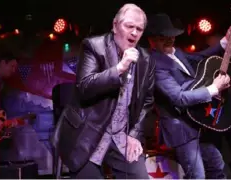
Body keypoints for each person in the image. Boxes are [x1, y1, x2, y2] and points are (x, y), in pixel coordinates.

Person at [52, 3, 155, 179]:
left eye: (139, 29)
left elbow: (147, 101)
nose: (134, 33)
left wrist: (134, 134)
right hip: (87, 134)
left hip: (120, 135)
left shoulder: (145, 59)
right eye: (129, 26)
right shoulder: (94, 46)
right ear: (115, 26)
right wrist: (119, 68)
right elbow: (84, 87)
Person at [147, 13, 231, 179]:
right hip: (181, 130)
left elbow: (200, 57)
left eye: (171, 36)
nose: (169, 40)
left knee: (216, 163)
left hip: (197, 121)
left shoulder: (176, 53)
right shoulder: (155, 64)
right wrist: (214, 88)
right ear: (152, 40)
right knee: (197, 175)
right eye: (163, 38)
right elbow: (179, 98)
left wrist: (225, 40)